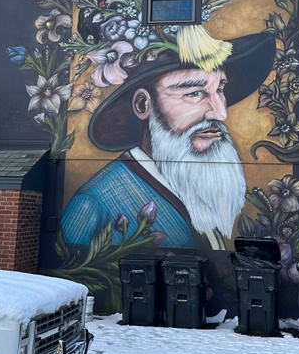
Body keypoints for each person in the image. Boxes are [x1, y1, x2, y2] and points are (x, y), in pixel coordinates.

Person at [60, 32, 275, 251]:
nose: (220, 113)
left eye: (220, 90)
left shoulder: (189, 184)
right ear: (143, 104)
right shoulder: (91, 207)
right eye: (194, 93)